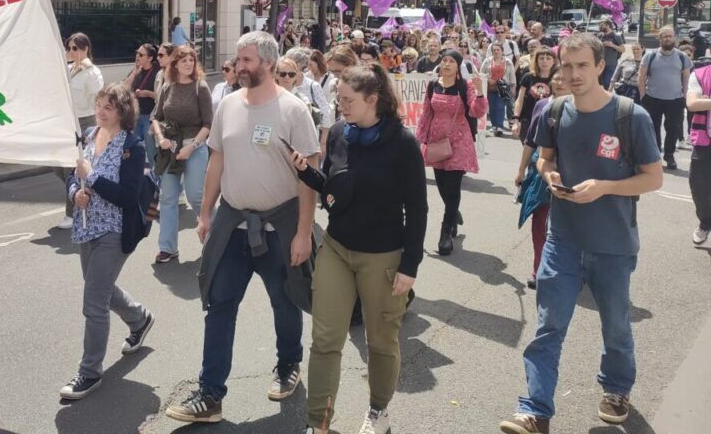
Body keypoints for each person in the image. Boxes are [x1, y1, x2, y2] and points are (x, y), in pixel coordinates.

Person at [499, 34, 662, 434]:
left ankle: (617, 388)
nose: (572, 74)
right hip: (562, 240)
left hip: (613, 244)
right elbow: (545, 160)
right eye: (566, 66)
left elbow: (653, 179)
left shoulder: (630, 115)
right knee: (547, 327)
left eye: (582, 66)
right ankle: (535, 410)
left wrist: (604, 187)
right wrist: (549, 175)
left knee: (616, 324)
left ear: (599, 67)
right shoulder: (554, 111)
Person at [165, 32, 320, 425]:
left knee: (285, 301)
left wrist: (303, 233)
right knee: (219, 303)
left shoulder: (293, 110)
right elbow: (217, 160)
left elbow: (309, 178)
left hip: (279, 226)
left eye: (247, 60)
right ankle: (210, 393)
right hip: (233, 224)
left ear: (268, 63)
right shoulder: (229, 104)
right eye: (239, 59)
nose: (239, 66)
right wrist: (205, 214)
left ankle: (288, 364)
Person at [293, 65, 427, 434]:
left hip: (383, 257)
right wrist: (308, 174)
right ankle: (318, 423)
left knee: (380, 342)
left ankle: (378, 411)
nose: (341, 106)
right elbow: (338, 191)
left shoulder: (403, 144)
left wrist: (409, 265)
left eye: (348, 100)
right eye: (339, 99)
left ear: (373, 100)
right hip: (337, 248)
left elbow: (417, 209)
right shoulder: (338, 133)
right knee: (325, 339)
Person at [61, 84, 154, 400]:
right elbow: (74, 175)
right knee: (99, 288)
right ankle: (140, 318)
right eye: (99, 104)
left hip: (114, 230)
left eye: (108, 107)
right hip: (86, 227)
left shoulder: (133, 145)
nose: (100, 111)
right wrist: (76, 193)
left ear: (122, 112)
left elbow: (129, 197)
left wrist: (95, 180)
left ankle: (89, 373)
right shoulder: (88, 135)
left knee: (94, 302)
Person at [415, 49, 487, 255]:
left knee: (453, 187)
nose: (446, 64)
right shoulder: (432, 85)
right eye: (444, 60)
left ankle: (445, 234)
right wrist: (420, 141)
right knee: (442, 186)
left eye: (451, 61)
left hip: (459, 141)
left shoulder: (466, 86)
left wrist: (480, 91)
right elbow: (426, 113)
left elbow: (477, 111)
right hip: (437, 141)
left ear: (457, 66)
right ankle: (454, 213)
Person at [151, 46, 214, 263]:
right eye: (184, 60)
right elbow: (156, 117)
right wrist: (160, 138)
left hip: (194, 148)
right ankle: (167, 248)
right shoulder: (167, 87)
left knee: (195, 195)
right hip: (169, 149)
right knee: (167, 197)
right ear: (175, 64)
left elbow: (208, 123)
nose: (189, 64)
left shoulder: (200, 87)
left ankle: (215, 239)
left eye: (192, 60)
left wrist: (191, 146)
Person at [513, 64, 569, 289]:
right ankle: (539, 267)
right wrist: (521, 169)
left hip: (573, 175)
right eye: (556, 78)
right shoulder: (542, 106)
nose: (559, 82)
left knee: (570, 225)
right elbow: (530, 141)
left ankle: (570, 268)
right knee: (540, 222)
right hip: (542, 173)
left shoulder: (585, 107)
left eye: (564, 79)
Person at [57, 33, 105, 230]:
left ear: (85, 49)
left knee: (74, 167)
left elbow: (99, 99)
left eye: (75, 48)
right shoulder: (68, 69)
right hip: (67, 121)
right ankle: (80, 193)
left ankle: (72, 212)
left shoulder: (92, 72)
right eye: (68, 48)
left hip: (85, 122)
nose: (70, 52)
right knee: (59, 165)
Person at [637, 26, 692, 170]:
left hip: (675, 100)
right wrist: (643, 96)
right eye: (664, 36)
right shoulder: (650, 55)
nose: (667, 38)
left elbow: (686, 76)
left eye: (670, 36)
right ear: (659, 39)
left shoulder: (682, 56)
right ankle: (655, 157)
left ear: (674, 37)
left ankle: (669, 155)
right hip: (652, 98)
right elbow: (641, 76)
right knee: (653, 129)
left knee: (673, 129)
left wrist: (685, 94)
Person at [686, 60, 711, 247]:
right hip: (705, 141)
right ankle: (705, 222)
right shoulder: (700, 74)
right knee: (699, 186)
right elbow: (692, 103)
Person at [512, 48, 556, 143]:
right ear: (536, 61)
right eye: (541, 58)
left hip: (549, 122)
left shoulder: (557, 79)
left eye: (548, 58)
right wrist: (516, 120)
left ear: (554, 61)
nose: (544, 61)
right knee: (528, 151)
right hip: (528, 120)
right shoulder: (528, 77)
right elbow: (519, 100)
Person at [130, 44, 160, 165]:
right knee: (131, 149)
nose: (137, 56)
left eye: (141, 54)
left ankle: (156, 179)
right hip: (136, 116)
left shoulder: (158, 73)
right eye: (137, 53)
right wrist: (134, 73)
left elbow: (163, 97)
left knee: (151, 150)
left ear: (150, 58)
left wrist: (148, 93)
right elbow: (125, 88)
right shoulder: (137, 71)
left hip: (149, 117)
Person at [482, 42, 516, 135]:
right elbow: (481, 73)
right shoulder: (487, 61)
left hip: (503, 87)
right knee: (492, 107)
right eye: (494, 50)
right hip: (490, 87)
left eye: (498, 50)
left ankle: (499, 126)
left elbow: (512, 75)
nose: (496, 51)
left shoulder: (508, 62)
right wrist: (488, 79)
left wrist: (513, 86)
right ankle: (494, 125)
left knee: (500, 107)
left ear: (502, 51)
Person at [597, 20, 625, 89]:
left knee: (607, 84)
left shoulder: (616, 36)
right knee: (599, 83)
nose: (600, 27)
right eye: (599, 25)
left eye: (601, 25)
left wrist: (612, 45)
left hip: (611, 64)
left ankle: (607, 98)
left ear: (608, 25)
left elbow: (623, 49)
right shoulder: (600, 35)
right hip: (600, 63)